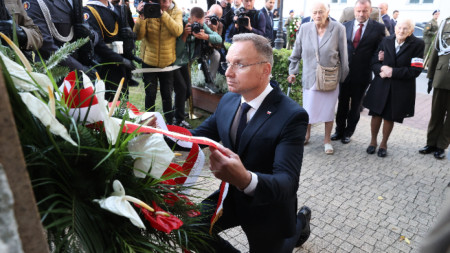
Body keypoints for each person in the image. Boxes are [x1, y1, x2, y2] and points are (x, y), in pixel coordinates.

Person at [190, 33, 311, 252]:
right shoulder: (228, 100)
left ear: (265, 69)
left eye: (239, 65)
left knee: (283, 243)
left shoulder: (292, 116)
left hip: (268, 207)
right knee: (189, 229)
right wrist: (151, 131)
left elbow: (288, 182)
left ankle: (301, 222)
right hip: (231, 196)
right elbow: (196, 137)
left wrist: (246, 179)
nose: (227, 72)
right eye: (228, 63)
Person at [288, 1, 349, 155]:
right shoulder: (305, 28)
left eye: (321, 11)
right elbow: (296, 53)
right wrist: (292, 71)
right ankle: (306, 135)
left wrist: (341, 78)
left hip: (329, 78)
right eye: (314, 12)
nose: (317, 15)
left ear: (328, 12)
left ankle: (327, 140)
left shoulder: (338, 29)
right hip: (310, 77)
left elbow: (344, 55)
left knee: (328, 111)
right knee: (308, 109)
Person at [363, 18, 424, 157]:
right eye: (399, 27)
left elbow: (415, 70)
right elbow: (373, 62)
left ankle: (384, 144)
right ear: (395, 28)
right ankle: (373, 142)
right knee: (376, 114)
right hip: (381, 84)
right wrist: (381, 68)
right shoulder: (386, 40)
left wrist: (392, 72)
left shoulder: (418, 44)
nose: (401, 31)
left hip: (399, 87)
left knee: (389, 116)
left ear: (411, 31)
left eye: (405, 29)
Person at [332, 0, 385, 144]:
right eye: (359, 11)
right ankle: (339, 130)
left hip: (363, 73)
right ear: (354, 11)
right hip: (344, 73)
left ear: (370, 11)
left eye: (365, 11)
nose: (361, 14)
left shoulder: (379, 28)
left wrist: (380, 57)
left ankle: (349, 132)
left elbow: (380, 49)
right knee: (342, 103)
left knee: (355, 106)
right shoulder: (345, 26)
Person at [134, 0, 183, 124]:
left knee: (167, 95)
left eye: (166, 0)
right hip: (149, 60)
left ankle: (169, 123)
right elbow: (139, 36)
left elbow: (178, 31)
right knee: (150, 94)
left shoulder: (177, 11)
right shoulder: (149, 9)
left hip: (167, 62)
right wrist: (141, 16)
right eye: (161, 0)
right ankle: (149, 123)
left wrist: (163, 15)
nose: (164, 2)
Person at [173, 7, 222, 127]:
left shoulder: (201, 25)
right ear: (189, 19)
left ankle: (176, 111)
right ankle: (177, 120)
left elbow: (219, 39)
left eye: (199, 24)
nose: (197, 26)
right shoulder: (181, 24)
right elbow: (177, 52)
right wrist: (184, 35)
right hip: (174, 61)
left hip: (185, 62)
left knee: (188, 91)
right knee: (182, 89)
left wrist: (205, 36)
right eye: (194, 23)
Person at [25, 0, 96, 77]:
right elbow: (45, 45)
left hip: (77, 69)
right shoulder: (35, 2)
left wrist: (90, 34)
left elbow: (90, 30)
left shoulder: (72, 2)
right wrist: (80, 69)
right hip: (53, 75)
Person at [83, 0, 136, 100]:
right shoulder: (88, 11)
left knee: (123, 101)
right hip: (104, 66)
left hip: (120, 66)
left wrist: (129, 35)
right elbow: (99, 45)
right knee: (109, 103)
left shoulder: (115, 9)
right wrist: (121, 60)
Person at [419, 15, 450, 159]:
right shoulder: (445, 23)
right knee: (436, 112)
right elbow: (436, 51)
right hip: (441, 76)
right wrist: (430, 76)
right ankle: (431, 143)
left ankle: (441, 146)